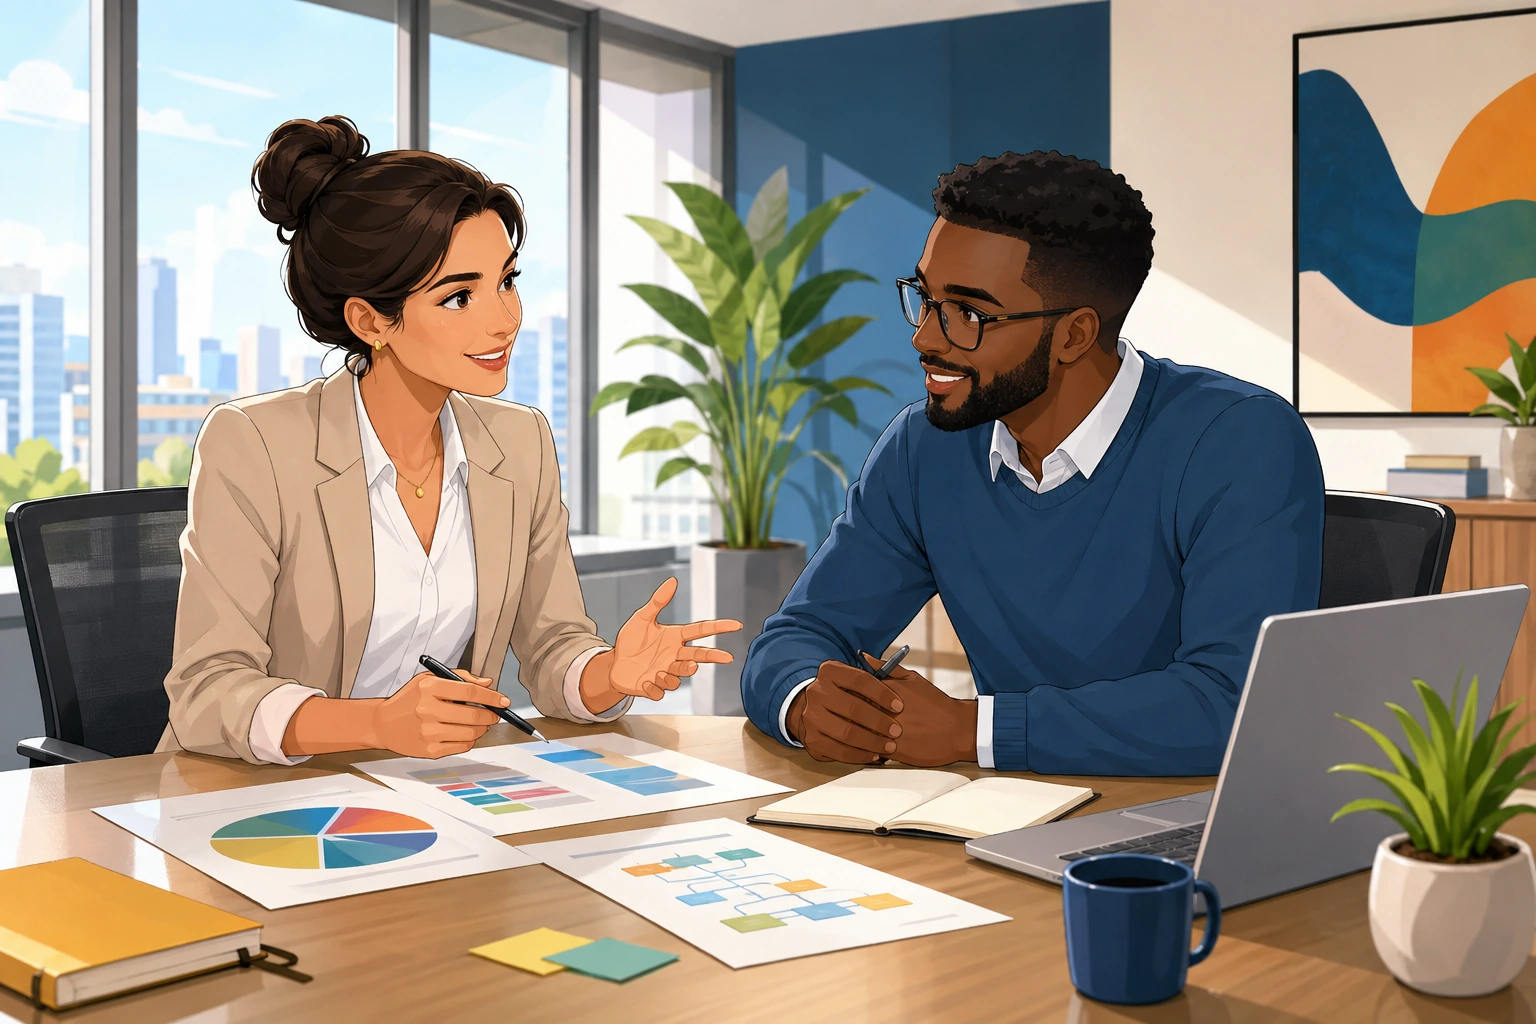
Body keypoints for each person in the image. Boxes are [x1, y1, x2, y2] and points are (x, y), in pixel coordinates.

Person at [159, 115, 740, 765]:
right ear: (369, 319)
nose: (505, 320)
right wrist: (377, 724)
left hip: (445, 793)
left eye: (507, 281)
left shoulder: (519, 443)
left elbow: (553, 649)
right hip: (268, 802)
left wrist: (612, 675)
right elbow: (208, 691)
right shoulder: (256, 443)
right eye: (460, 297)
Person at [739, 150, 1324, 776]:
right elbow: (799, 634)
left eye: (969, 314)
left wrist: (973, 730)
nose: (925, 338)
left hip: (1182, 830)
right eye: (926, 297)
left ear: (1073, 335)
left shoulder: (1238, 439)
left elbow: (1231, 703)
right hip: (1001, 812)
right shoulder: (924, 446)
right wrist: (807, 702)